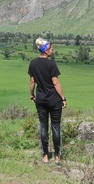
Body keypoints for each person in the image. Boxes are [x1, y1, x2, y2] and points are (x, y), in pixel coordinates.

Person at [28, 37, 67, 165]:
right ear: (45, 51)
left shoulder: (33, 63)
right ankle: (57, 156)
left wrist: (32, 95)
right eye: (51, 48)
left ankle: (45, 156)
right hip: (54, 100)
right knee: (56, 127)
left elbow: (32, 81)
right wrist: (63, 98)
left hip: (40, 100)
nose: (52, 50)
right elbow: (55, 83)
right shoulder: (51, 64)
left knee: (43, 126)